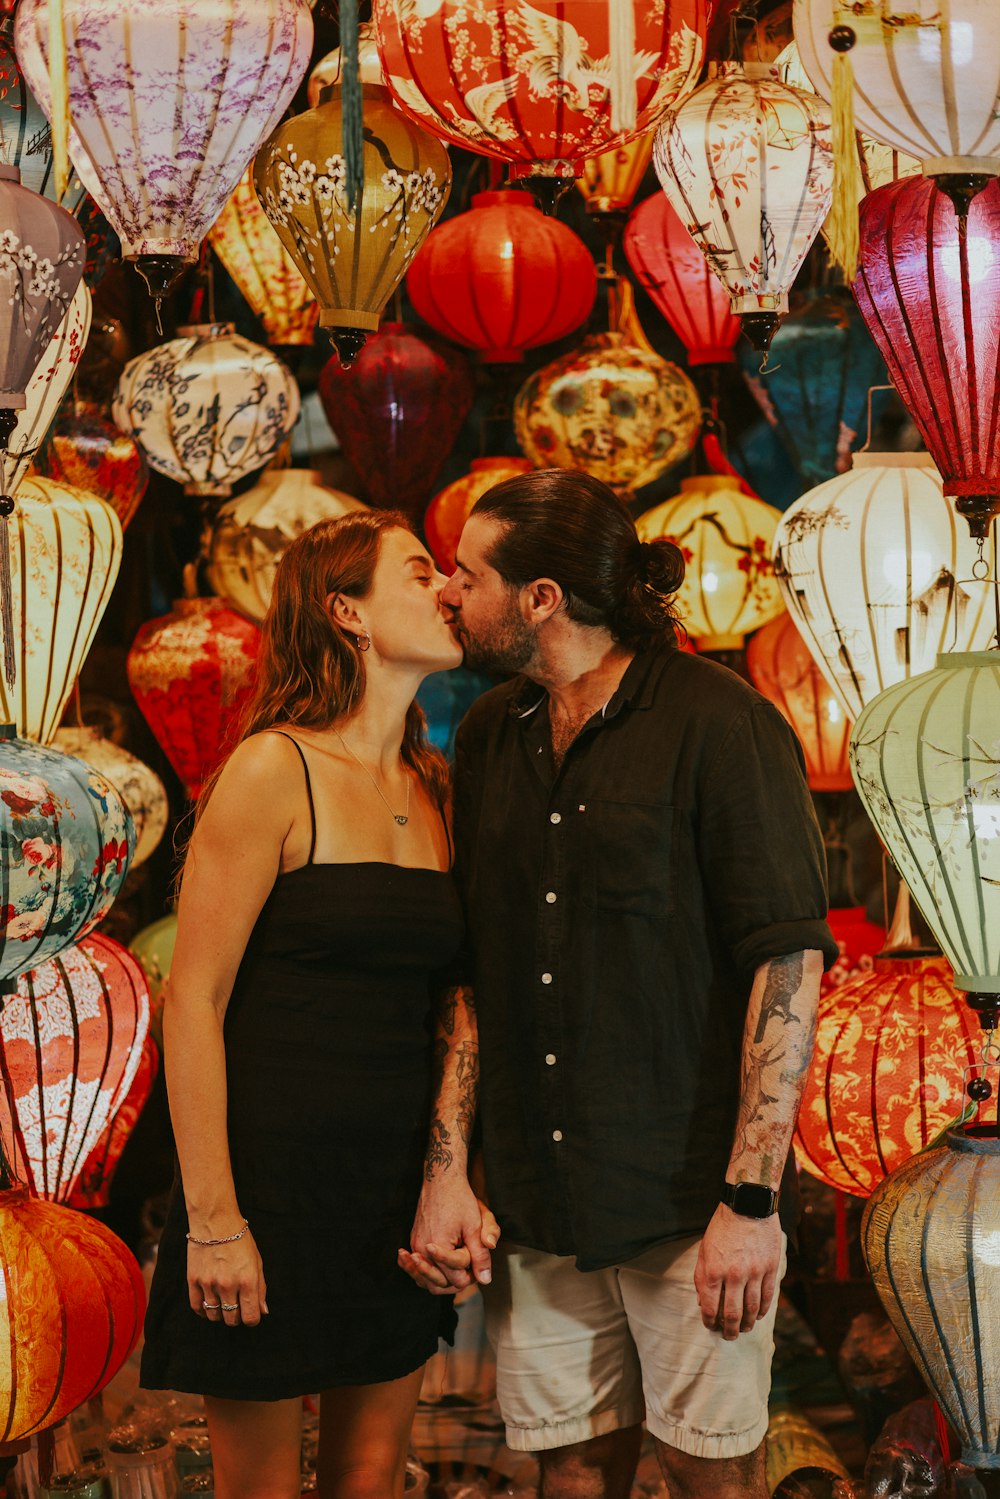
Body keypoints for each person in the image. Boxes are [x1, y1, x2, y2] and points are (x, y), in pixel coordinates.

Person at [399, 470, 839, 1499]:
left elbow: (786, 961)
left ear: (541, 597)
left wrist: (749, 1196)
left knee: (706, 1470)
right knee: (568, 1470)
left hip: (688, 1194)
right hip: (540, 1186)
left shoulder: (719, 722)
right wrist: (448, 1166)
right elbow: (474, 970)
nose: (449, 593)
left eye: (468, 573)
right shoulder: (489, 732)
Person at [141, 511, 498, 1499]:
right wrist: (212, 1217)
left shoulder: (433, 784)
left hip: (388, 1188)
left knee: (371, 1475)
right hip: (265, 1185)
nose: (446, 589)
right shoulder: (273, 767)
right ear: (346, 610)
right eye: (420, 570)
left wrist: (447, 1173)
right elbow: (193, 1001)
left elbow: (453, 1000)